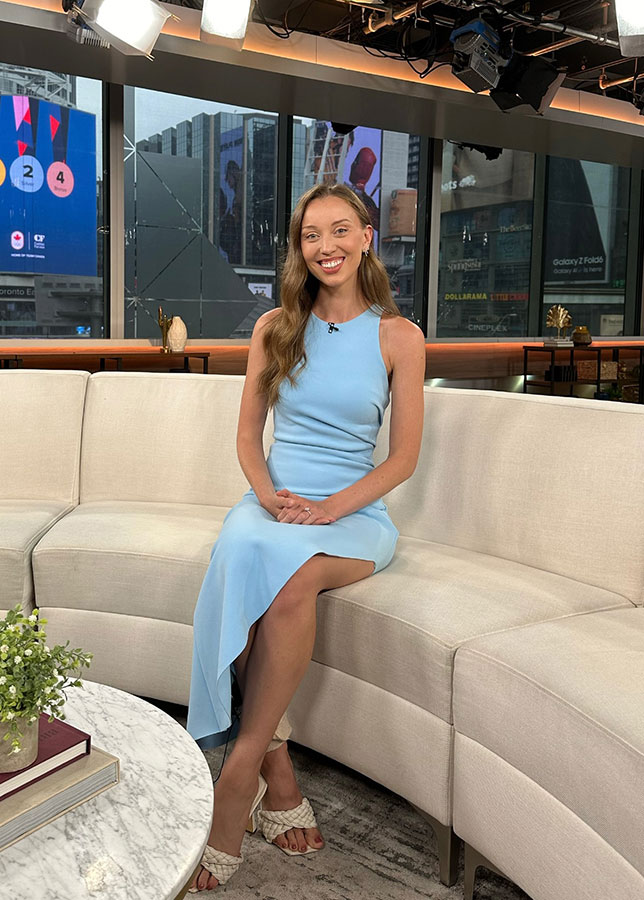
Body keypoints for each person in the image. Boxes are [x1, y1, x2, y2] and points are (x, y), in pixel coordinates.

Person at [187, 182, 426, 892]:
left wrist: (329, 511)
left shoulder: (399, 338)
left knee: (288, 576)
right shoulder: (275, 327)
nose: (326, 247)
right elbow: (247, 436)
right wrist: (266, 497)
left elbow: (402, 459)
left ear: (367, 237)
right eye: (311, 235)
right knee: (247, 551)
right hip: (273, 502)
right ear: (300, 248)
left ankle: (239, 772)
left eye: (340, 230)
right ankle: (276, 768)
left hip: (353, 515)